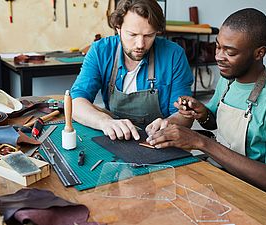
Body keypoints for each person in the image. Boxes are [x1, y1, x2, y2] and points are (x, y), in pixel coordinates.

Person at [146, 8, 266, 199]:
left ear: (259, 53)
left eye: (230, 52)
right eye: (218, 47)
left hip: (252, 194)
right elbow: (214, 122)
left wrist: (201, 142)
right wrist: (203, 113)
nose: (219, 56)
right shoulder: (228, 81)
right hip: (219, 176)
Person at [70, 0, 194, 141]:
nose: (140, 44)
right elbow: (76, 103)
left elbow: (184, 116)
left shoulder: (174, 55)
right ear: (118, 28)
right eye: (132, 35)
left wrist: (170, 122)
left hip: (159, 140)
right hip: (117, 138)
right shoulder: (101, 51)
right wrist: (104, 122)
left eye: (149, 35)